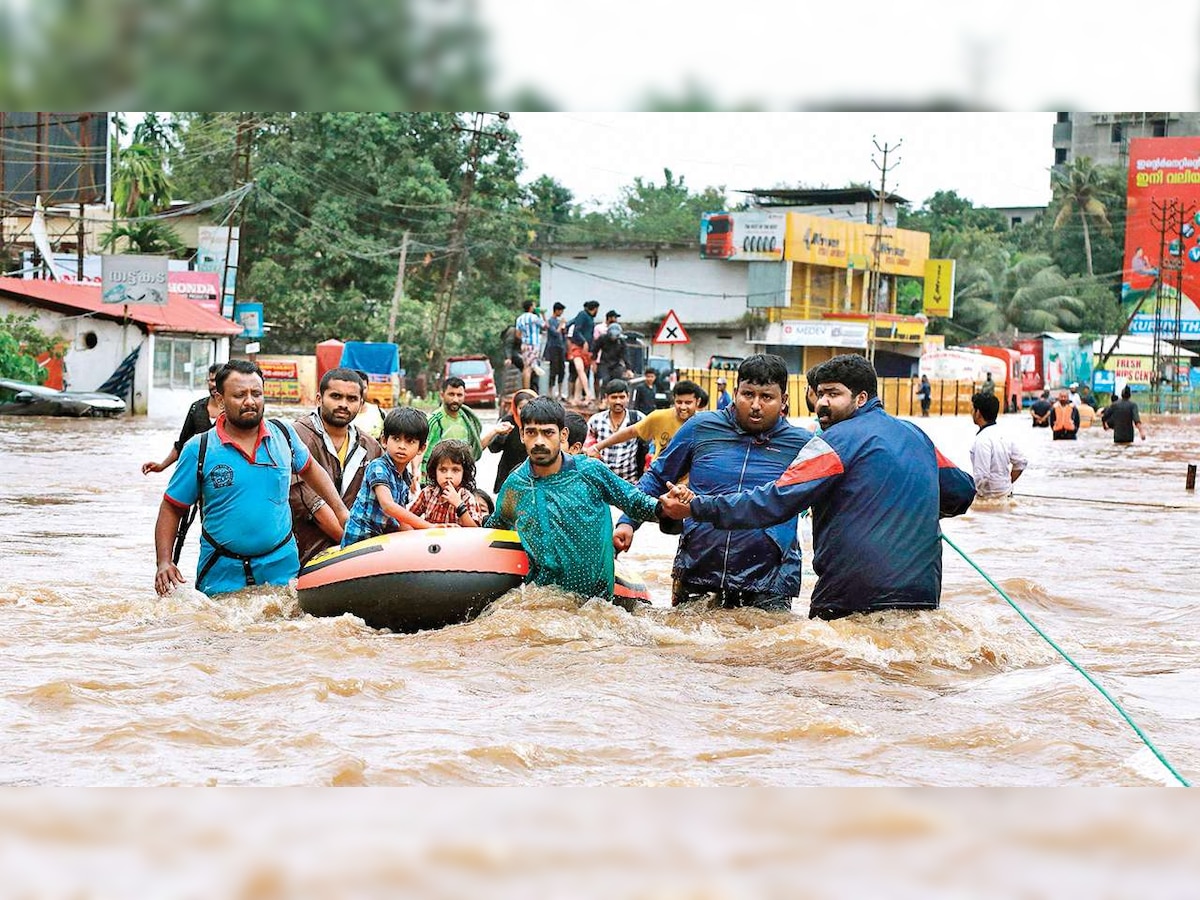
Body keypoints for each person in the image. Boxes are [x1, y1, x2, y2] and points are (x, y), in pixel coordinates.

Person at [660, 354, 976, 621]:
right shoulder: (916, 435)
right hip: (921, 594)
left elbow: (776, 501)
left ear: (861, 398)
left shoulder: (832, 442)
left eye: (833, 395)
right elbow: (961, 492)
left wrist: (697, 507)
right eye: (819, 394)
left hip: (849, 595)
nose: (822, 404)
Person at [614, 354, 811, 612]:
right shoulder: (701, 427)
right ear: (736, 391)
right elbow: (658, 476)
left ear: (783, 400)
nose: (755, 405)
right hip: (699, 568)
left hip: (769, 579)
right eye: (748, 394)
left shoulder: (801, 444)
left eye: (766, 397)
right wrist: (628, 522)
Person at [153, 360, 349, 597]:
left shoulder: (284, 436)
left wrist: (340, 511)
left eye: (256, 393)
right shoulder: (200, 448)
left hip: (281, 571)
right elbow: (172, 508)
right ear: (220, 399)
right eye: (239, 395)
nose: (250, 401)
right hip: (221, 573)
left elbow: (312, 470)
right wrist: (164, 562)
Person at [485, 396, 664, 602]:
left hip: (598, 606)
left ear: (563, 435)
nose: (539, 441)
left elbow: (635, 502)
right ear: (522, 435)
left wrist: (666, 509)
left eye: (548, 432)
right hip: (544, 606)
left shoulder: (590, 472)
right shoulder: (516, 485)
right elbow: (495, 528)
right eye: (531, 433)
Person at [289, 366, 383, 565]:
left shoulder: (370, 446)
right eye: (336, 396)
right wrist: (354, 547)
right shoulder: (296, 436)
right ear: (319, 399)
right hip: (306, 551)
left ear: (361, 403)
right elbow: (306, 500)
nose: (343, 404)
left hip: (356, 550)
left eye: (351, 399)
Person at [342, 407, 434, 545]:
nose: (402, 446)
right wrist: (429, 526)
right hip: (360, 541)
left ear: (421, 448)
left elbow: (400, 520)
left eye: (410, 441)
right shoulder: (378, 466)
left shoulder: (405, 478)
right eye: (396, 439)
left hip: (381, 541)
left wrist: (426, 535)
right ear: (384, 441)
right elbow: (388, 505)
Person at [586, 379, 703, 462]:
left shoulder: (704, 425)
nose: (683, 407)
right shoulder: (659, 417)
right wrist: (598, 447)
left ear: (697, 402)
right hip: (659, 482)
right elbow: (630, 432)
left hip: (688, 487)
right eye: (679, 402)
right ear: (673, 400)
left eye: (688, 403)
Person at [421, 376, 508, 485]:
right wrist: (421, 477)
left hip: (461, 480)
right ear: (442, 395)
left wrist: (495, 431)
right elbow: (421, 451)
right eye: (451, 394)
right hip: (436, 481)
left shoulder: (467, 419)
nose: (455, 399)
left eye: (459, 395)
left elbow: (475, 450)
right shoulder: (435, 420)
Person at [142, 362, 222, 475]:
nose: (214, 385)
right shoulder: (196, 408)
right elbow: (182, 443)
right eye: (211, 380)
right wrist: (161, 466)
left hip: (223, 472)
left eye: (219, 381)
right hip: (198, 472)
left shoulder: (232, 411)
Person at [409, 439, 489, 526]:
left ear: (464, 472)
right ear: (434, 471)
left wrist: (459, 505)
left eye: (455, 470)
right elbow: (408, 518)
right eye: (443, 470)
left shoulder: (467, 498)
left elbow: (475, 530)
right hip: (431, 539)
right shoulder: (427, 493)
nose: (448, 475)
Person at [584, 378, 645, 483]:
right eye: (614, 397)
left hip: (629, 483)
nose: (618, 401)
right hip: (601, 482)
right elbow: (586, 447)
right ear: (606, 398)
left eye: (622, 397)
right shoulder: (596, 420)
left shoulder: (638, 418)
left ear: (628, 397)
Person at [970, 392, 1027, 500]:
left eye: (973, 409)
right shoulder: (1005, 434)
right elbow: (1021, 462)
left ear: (978, 413)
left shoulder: (981, 440)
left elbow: (981, 477)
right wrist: (1005, 484)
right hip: (1007, 495)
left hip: (988, 500)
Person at [485, 387, 538, 493]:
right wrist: (501, 435)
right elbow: (493, 448)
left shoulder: (540, 424)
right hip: (508, 473)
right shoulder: (508, 423)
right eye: (521, 408)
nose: (524, 412)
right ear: (515, 408)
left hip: (533, 475)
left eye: (528, 408)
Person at [566, 300, 600, 402]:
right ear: (594, 309)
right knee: (580, 370)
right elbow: (577, 329)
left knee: (583, 372)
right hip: (578, 346)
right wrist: (583, 341)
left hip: (587, 348)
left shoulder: (589, 318)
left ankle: (576, 397)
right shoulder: (582, 314)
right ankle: (587, 392)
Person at [594, 310, 630, 394]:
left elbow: (625, 355)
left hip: (616, 363)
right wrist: (594, 363)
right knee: (605, 380)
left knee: (617, 380)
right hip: (604, 362)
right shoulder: (603, 338)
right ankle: (603, 398)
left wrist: (628, 368)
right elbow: (595, 349)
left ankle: (615, 396)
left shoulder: (621, 341)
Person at [515, 299, 546, 391]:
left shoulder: (519, 318)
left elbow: (517, 334)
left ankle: (525, 389)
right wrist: (543, 314)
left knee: (526, 367)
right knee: (528, 369)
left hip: (524, 344)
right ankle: (527, 390)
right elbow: (545, 326)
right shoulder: (534, 318)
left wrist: (525, 338)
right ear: (531, 307)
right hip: (533, 345)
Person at [545, 301, 568, 399]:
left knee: (561, 369)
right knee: (553, 369)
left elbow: (562, 334)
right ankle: (550, 392)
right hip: (553, 347)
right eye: (561, 311)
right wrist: (561, 325)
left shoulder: (558, 321)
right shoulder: (551, 321)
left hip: (561, 347)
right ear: (557, 310)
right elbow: (555, 333)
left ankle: (559, 392)